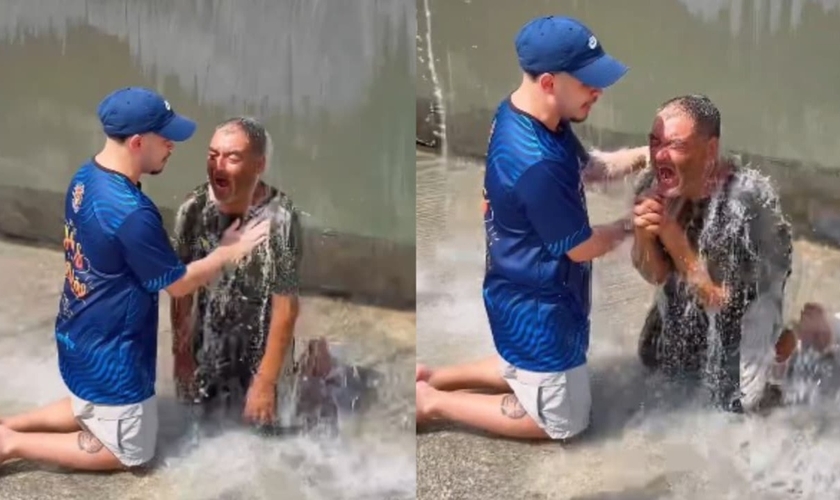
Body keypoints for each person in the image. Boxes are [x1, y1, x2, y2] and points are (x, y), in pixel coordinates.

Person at [0, 87, 269, 471]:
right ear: (139, 142)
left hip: (77, 333)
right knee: (130, 452)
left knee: (92, 404)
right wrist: (227, 251)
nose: (172, 146)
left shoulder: (85, 178)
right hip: (114, 355)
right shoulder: (133, 213)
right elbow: (176, 284)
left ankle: (8, 423)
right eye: (166, 138)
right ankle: (12, 443)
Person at [415, 16, 649, 441]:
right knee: (562, 423)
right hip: (540, 307)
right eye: (587, 82)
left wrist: (645, 155)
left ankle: (435, 375)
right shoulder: (536, 162)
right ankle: (433, 402)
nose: (598, 91)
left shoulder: (528, 114)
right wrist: (632, 225)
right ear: (548, 82)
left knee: (522, 364)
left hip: (518, 285)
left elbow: (591, 170)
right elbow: (579, 248)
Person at [632, 94, 794, 413]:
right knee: (652, 357)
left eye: (675, 145)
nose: (659, 156)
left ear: (710, 150)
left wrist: (672, 236)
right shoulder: (651, 184)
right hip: (694, 293)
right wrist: (644, 236)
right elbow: (655, 274)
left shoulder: (742, 207)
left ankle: (788, 344)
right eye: (654, 142)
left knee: (740, 403)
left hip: (745, 308)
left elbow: (719, 299)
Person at [170, 117, 330, 431]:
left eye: (232, 157)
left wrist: (265, 382)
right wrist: (182, 356)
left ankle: (315, 357)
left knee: (276, 425)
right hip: (213, 337)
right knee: (201, 419)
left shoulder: (280, 219)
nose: (218, 165)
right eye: (212, 155)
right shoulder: (193, 209)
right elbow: (182, 290)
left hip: (263, 341)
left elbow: (285, 307)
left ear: (259, 165)